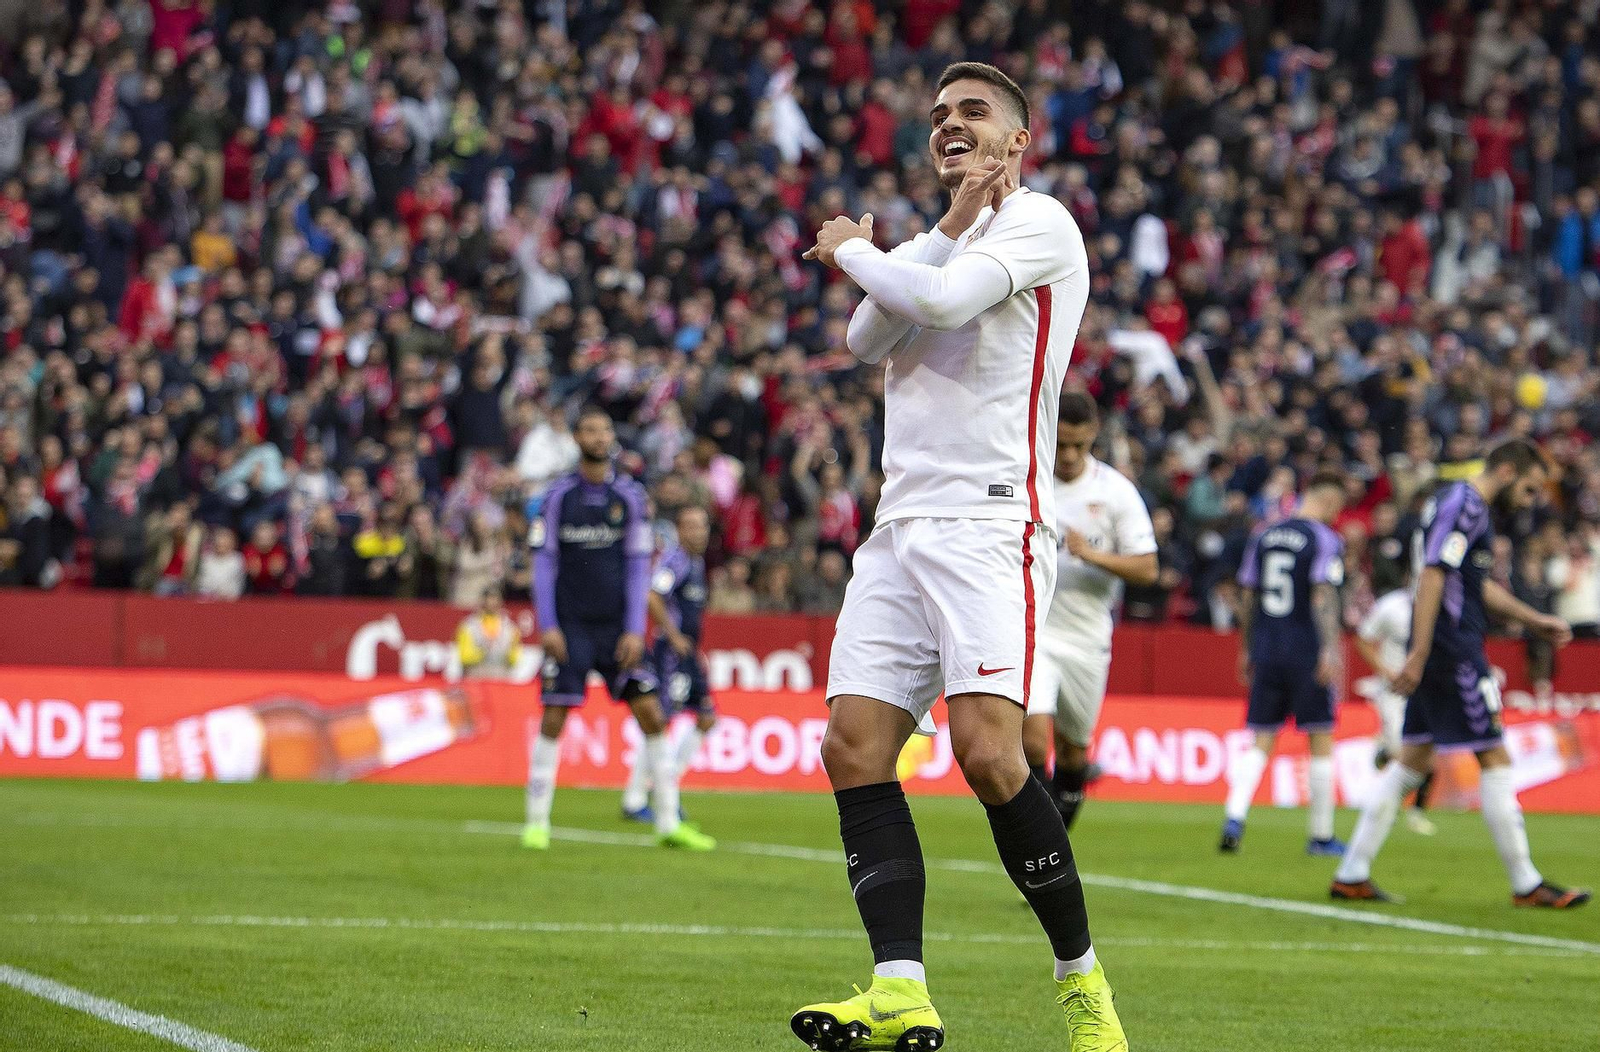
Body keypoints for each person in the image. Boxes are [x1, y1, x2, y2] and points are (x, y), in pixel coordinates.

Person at [792, 62, 1122, 1052]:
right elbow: (864, 337)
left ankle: (1080, 981)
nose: (949, 125)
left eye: (972, 112)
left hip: (989, 525)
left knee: (989, 750)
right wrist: (910, 241)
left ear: (1018, 140)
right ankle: (899, 985)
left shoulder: (1040, 224)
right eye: (938, 115)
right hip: (901, 530)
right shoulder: (941, 245)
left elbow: (931, 307)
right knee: (852, 743)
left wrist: (851, 244)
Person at [1332, 440, 1590, 908]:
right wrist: (1422, 651)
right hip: (1452, 650)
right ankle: (1526, 883)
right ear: (1509, 471)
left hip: (1443, 647)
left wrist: (1533, 620)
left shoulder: (1457, 504)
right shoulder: (1466, 505)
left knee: (1410, 764)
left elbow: (1473, 583)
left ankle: (1351, 872)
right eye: (1530, 488)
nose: (1530, 500)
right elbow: (1432, 574)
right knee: (1495, 757)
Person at [522, 407, 714, 852]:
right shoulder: (557, 497)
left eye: (605, 428)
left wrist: (634, 629)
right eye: (590, 428)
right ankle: (536, 823)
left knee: (651, 713)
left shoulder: (628, 497)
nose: (599, 435)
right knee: (554, 715)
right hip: (569, 626)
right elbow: (543, 564)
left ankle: (667, 822)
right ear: (576, 437)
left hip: (616, 630)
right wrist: (547, 624)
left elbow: (635, 569)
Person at [1023, 393, 1157, 831]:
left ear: (1093, 437)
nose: (1068, 455)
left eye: (1078, 446)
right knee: (1031, 742)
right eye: (1061, 444)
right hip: (1034, 631)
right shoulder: (1029, 480)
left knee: (1075, 752)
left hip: (1087, 638)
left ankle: (1053, 843)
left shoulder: (1115, 492)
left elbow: (1147, 567)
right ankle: (1037, 847)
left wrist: (1092, 556)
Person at [1219, 470, 1349, 856]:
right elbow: (1322, 594)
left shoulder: (1264, 534)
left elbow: (1248, 595)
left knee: (1261, 739)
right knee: (1320, 737)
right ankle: (1321, 836)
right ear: (1327, 501)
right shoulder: (1324, 538)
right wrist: (1329, 650)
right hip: (1306, 650)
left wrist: (1246, 649)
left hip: (1267, 647)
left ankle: (1234, 816)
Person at [621, 505, 717, 824]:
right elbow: (652, 597)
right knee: (659, 721)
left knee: (706, 717)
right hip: (671, 653)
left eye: (702, 525)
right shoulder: (675, 561)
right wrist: (674, 636)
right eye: (691, 526)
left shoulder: (697, 562)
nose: (698, 532)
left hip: (688, 652)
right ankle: (636, 800)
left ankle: (664, 788)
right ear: (680, 530)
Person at [1353, 568, 1435, 836]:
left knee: (1427, 755)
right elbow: (1364, 639)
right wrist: (1385, 671)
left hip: (1426, 690)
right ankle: (1386, 807)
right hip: (1394, 692)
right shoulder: (1391, 607)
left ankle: (1414, 811)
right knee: (1404, 752)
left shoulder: (1442, 611)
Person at [455, 587, 523, 681]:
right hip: (476, 677)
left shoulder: (510, 628)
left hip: (501, 678)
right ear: (482, 601)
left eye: (495, 599)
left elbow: (514, 658)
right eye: (489, 598)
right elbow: (464, 657)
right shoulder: (469, 626)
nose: (492, 603)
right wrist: (484, 651)